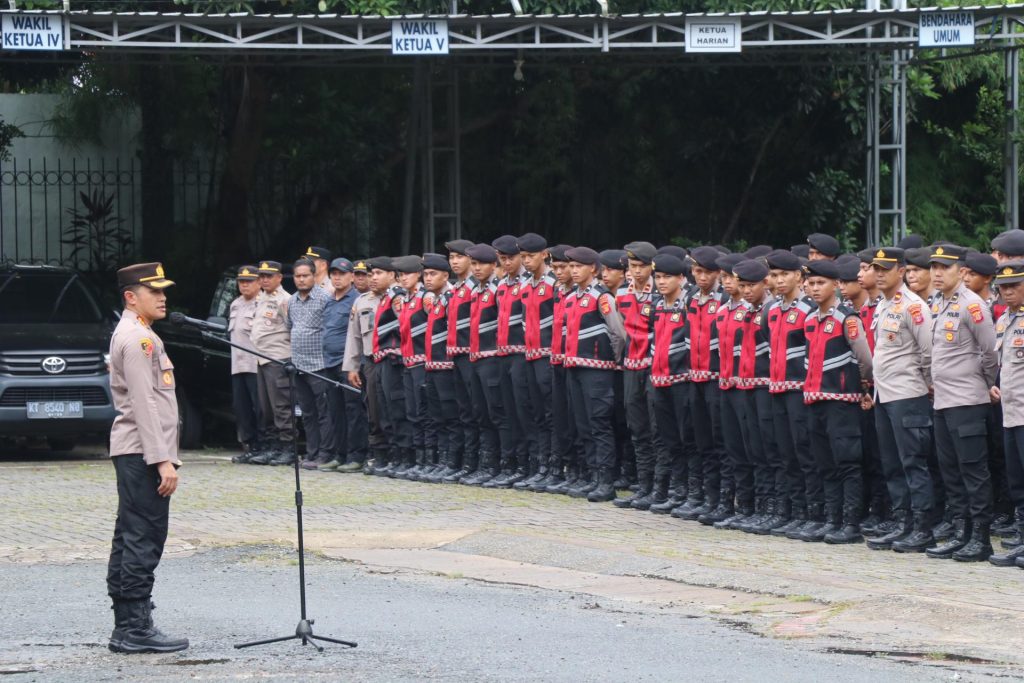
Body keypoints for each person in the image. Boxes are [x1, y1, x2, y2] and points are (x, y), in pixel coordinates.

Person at [106, 262, 189, 654]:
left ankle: (128, 622)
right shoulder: (139, 339)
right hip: (143, 453)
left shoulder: (137, 333)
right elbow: (144, 405)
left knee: (130, 534)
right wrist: (163, 460)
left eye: (163, 290)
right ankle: (134, 627)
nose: (162, 297)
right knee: (144, 537)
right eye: (153, 291)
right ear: (130, 297)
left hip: (135, 450)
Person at [926, 244, 998, 561]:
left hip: (968, 400)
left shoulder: (973, 306)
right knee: (951, 471)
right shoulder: (938, 304)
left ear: (962, 271)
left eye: (945, 267)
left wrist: (984, 384)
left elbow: (990, 353)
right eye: (934, 267)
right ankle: (961, 533)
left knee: (973, 471)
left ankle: (981, 538)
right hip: (943, 401)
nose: (937, 273)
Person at [798, 259, 872, 544]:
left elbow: (864, 358)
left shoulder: (847, 318)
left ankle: (851, 523)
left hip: (841, 400)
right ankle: (832, 519)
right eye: (811, 283)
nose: (814, 288)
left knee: (847, 462)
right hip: (814, 398)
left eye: (821, 283)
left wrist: (863, 384)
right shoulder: (810, 319)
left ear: (836, 286)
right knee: (824, 463)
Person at [562, 246, 627, 503]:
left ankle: (606, 480)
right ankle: (592, 477)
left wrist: (610, 360)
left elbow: (618, 334)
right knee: (584, 425)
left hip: (598, 370)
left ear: (593, 269)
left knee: (600, 424)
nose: (574, 271)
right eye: (572, 266)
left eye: (579, 266)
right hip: (575, 368)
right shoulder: (572, 297)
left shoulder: (601, 298)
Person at [763, 249, 819, 539]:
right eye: (774, 275)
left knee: (804, 452)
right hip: (777, 388)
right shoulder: (772, 310)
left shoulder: (809, 309)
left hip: (800, 389)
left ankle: (813, 512)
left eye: (785, 274)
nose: (779, 280)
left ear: (799, 276)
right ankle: (791, 510)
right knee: (784, 453)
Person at [733, 258, 784, 534]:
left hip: (766, 385)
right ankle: (760, 506)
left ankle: (775, 507)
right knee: (753, 448)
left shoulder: (772, 311)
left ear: (766, 283)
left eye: (751, 285)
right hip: (747, 386)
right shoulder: (746, 310)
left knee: (769, 448)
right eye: (742, 285)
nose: (745, 290)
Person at [614, 241, 659, 509]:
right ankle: (643, 486)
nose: (637, 272)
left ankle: (659, 488)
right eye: (632, 267)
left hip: (653, 366)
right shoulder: (623, 295)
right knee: (637, 428)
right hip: (631, 365)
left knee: (656, 429)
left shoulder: (659, 295)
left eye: (642, 267)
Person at [647, 254, 691, 515]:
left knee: (686, 437)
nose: (661, 282)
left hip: (682, 380)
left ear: (682, 279)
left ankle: (688, 491)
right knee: (668, 438)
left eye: (667, 277)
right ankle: (677, 489)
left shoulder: (688, 305)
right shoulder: (657, 305)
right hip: (659, 379)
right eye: (658, 277)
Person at [489, 235, 532, 488]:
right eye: (502, 259)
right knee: (506, 411)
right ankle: (512, 463)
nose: (506, 263)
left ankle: (530, 465)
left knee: (524, 410)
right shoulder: (501, 284)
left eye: (511, 258)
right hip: (502, 354)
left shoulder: (529, 282)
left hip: (522, 354)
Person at [989, 260, 1024, 567]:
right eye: (1003, 288)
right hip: (1010, 413)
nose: (1008, 292)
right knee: (1017, 481)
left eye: (1014, 286)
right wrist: (994, 385)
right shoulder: (1004, 321)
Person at [517, 233, 557, 491]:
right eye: (523, 257)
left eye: (531, 256)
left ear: (544, 254)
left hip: (548, 356)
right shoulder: (526, 283)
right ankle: (541, 466)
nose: (527, 261)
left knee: (552, 415)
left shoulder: (554, 282)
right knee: (537, 414)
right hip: (529, 355)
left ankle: (555, 467)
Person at [463, 243, 504, 486]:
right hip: (476, 358)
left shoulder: (498, 289)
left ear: (493, 265)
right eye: (474, 264)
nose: (477, 268)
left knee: (497, 413)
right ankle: (487, 465)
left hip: (492, 358)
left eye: (482, 264)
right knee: (481, 413)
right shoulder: (478, 290)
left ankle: (502, 465)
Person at [342, 257, 388, 473]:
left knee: (395, 409)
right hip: (370, 361)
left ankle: (400, 455)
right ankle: (379, 455)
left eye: (377, 274)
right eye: (370, 275)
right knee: (374, 410)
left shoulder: (397, 298)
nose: (373, 279)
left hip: (394, 361)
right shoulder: (361, 301)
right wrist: (352, 366)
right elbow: (354, 337)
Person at [288, 258, 335, 470]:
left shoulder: (325, 298)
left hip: (319, 364)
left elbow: (329, 329)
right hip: (298, 364)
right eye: (297, 276)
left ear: (314, 276)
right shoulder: (291, 301)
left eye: (305, 275)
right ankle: (311, 451)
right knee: (307, 413)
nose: (301, 279)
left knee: (324, 411)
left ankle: (325, 452)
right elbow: (291, 326)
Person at [248, 261, 295, 466]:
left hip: (278, 357)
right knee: (266, 407)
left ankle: (288, 448)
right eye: (262, 276)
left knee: (281, 406)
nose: (265, 279)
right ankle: (272, 447)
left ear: (279, 278)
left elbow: (292, 328)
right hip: (261, 358)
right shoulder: (261, 298)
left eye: (269, 276)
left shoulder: (285, 300)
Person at [320, 257, 364, 473]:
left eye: (342, 274)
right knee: (335, 411)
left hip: (347, 363)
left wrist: (354, 364)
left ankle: (356, 455)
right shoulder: (329, 301)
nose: (337, 277)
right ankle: (340, 454)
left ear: (352, 277)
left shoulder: (357, 300)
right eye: (334, 274)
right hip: (328, 362)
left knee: (353, 411)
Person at [420, 253, 461, 482]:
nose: (427, 278)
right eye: (425, 274)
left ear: (446, 275)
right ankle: (443, 459)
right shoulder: (435, 299)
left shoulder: (451, 297)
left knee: (450, 415)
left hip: (446, 365)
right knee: (437, 415)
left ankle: (453, 461)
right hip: (432, 364)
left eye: (433, 274)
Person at [444, 239, 479, 482]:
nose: (454, 262)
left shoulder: (476, 287)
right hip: (456, 355)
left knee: (478, 410)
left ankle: (477, 462)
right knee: (463, 410)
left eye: (459, 257)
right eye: (451, 258)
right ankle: (466, 461)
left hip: (473, 355)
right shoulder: (455, 289)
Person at [228, 265, 262, 464]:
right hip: (237, 364)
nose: (244, 285)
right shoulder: (235, 304)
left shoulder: (262, 304)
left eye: (249, 281)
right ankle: (249, 446)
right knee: (242, 408)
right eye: (241, 281)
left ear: (259, 282)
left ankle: (263, 445)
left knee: (260, 407)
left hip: (256, 364)